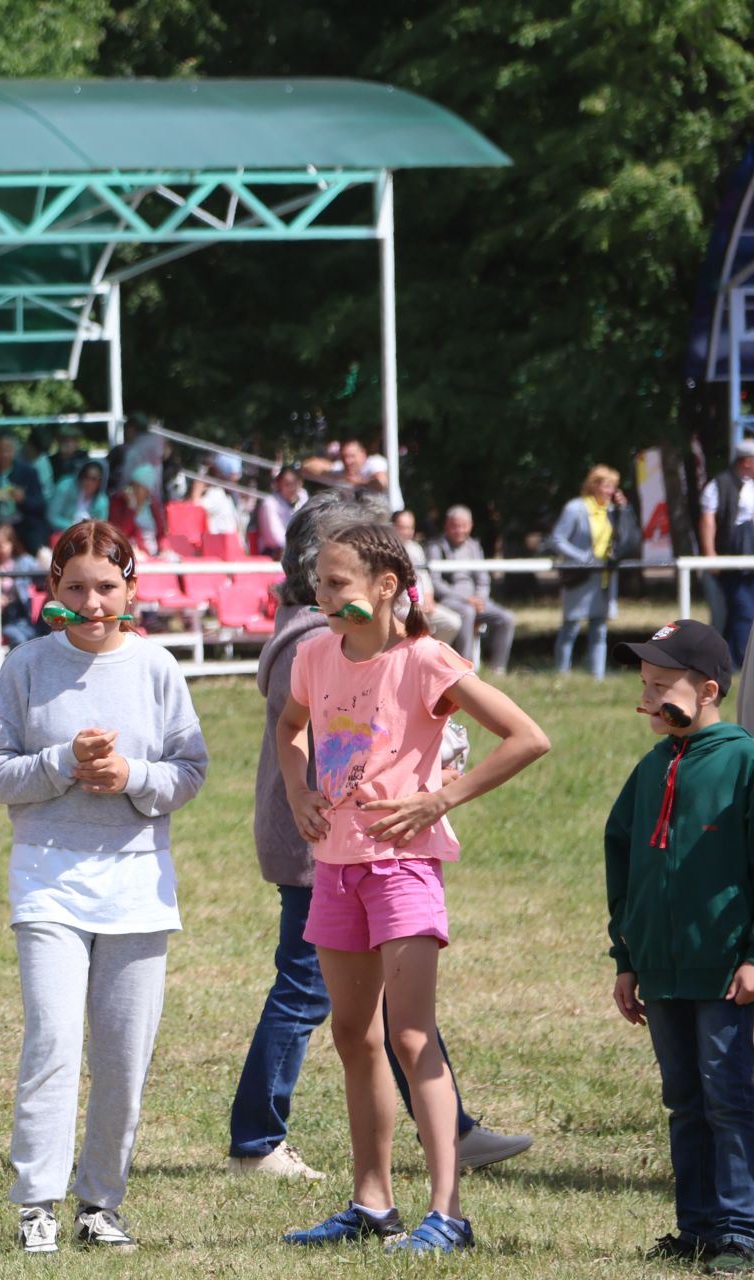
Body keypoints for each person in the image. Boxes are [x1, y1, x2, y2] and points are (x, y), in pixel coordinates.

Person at [228, 495, 531, 1184]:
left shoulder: (419, 656)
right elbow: (294, 729)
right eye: (321, 581)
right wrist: (304, 793)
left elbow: (522, 734)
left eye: (338, 582)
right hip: (322, 860)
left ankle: (446, 1164)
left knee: (404, 1022)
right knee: (330, 1013)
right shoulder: (312, 650)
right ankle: (291, 1155)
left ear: (385, 583)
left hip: (396, 864)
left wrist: (441, 794)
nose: (324, 595)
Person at [0, 520, 209, 1255]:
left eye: (107, 586)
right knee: (51, 1041)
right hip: (48, 881)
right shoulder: (25, 666)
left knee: (123, 1055)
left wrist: (132, 777)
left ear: (130, 588)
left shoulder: (159, 667)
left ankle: (100, 1201)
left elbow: (190, 769)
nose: (94, 601)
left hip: (139, 886)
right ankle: (36, 1202)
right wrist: (61, 763)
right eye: (75, 587)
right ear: (52, 591)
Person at [605, 620, 754, 1271]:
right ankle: (695, 1228)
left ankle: (740, 1230)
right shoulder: (650, 767)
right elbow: (622, 860)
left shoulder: (743, 761)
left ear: (710, 690)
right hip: (661, 971)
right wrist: (627, 958)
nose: (648, 696)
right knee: (683, 1099)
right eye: (645, 683)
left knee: (732, 1096)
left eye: (663, 685)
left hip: (725, 967)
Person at [548, 465, 628, 677]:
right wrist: (582, 558)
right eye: (607, 486)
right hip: (580, 577)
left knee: (600, 630)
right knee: (571, 627)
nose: (611, 491)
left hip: (603, 578)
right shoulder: (576, 508)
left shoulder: (612, 510)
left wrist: (624, 510)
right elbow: (557, 540)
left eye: (614, 487)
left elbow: (627, 536)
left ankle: (597, 677)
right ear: (594, 486)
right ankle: (561, 675)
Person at [425, 505, 515, 674]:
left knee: (506, 618)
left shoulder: (474, 546)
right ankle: (465, 667)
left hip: (477, 600)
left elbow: (483, 579)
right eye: (455, 526)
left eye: (463, 526)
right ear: (447, 525)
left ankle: (498, 667)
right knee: (467, 612)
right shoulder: (436, 547)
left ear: (470, 526)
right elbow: (436, 583)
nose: (459, 530)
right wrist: (465, 599)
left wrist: (480, 598)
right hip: (450, 600)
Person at [699, 441, 754, 666]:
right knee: (743, 612)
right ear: (747, 461)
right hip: (731, 562)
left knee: (739, 614)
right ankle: (741, 663)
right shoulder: (718, 485)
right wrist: (711, 555)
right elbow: (707, 521)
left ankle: (729, 663)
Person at [390, 511, 462, 646]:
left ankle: (433, 657)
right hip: (400, 608)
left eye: (410, 527)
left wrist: (429, 599)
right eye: (403, 527)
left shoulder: (416, 549)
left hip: (422, 606)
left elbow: (424, 577)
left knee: (453, 622)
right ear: (392, 527)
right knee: (421, 627)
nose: (407, 532)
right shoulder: (387, 551)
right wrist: (416, 604)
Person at [0, 524, 45, 649]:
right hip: (2, 617)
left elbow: (42, 579)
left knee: (34, 637)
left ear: (11, 543)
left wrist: (45, 563)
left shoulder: (24, 561)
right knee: (19, 639)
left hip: (22, 614)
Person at [257, 467, 307, 555]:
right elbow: (274, 537)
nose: (292, 488)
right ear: (278, 484)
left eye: (294, 483)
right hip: (274, 551)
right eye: (287, 484)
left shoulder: (303, 497)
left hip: (299, 548)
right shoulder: (269, 503)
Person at [52, 461, 110, 530]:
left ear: (101, 481)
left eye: (94, 479)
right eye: (86, 476)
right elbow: (52, 517)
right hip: (62, 532)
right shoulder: (65, 487)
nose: (89, 482)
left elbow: (101, 527)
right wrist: (73, 527)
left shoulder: (102, 502)